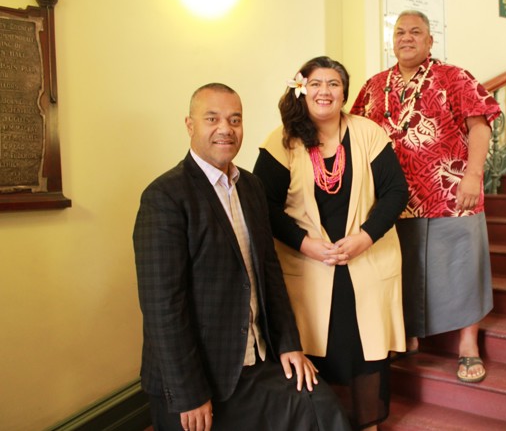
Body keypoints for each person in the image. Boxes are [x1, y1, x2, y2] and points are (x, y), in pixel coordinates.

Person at [133, 83, 351, 431]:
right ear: (190, 125)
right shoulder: (165, 197)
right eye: (212, 119)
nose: (226, 129)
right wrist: (189, 392)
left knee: (321, 408)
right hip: (196, 375)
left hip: (256, 360)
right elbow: (163, 308)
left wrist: (288, 345)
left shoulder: (251, 187)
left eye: (235, 120)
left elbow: (268, 271)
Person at [253, 56, 409, 430]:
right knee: (316, 348)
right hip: (308, 266)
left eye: (334, 84)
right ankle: (320, 423)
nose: (325, 91)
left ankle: (368, 423)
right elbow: (265, 205)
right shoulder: (283, 140)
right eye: (317, 83)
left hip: (365, 261)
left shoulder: (367, 132)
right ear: (302, 88)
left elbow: (395, 192)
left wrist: (364, 237)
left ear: (344, 92)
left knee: (364, 350)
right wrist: (306, 244)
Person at [350, 10, 501, 384]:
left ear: (430, 40)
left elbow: (479, 125)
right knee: (406, 271)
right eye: (400, 32)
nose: (406, 38)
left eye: (415, 32)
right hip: (394, 199)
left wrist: (473, 174)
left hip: (452, 193)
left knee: (462, 271)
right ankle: (410, 337)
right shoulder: (374, 85)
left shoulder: (453, 77)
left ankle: (468, 346)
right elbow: (352, 133)